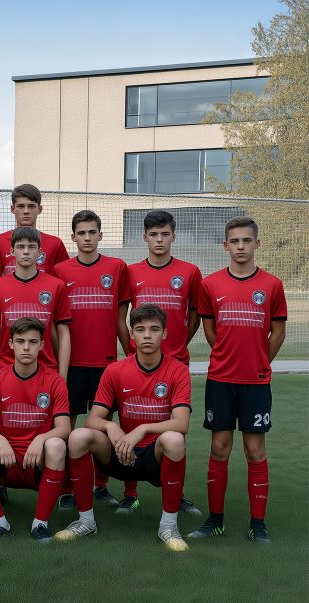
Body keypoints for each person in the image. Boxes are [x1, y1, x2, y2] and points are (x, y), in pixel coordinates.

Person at [55, 303, 191, 552]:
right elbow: (93, 419)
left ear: (165, 334)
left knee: (174, 439)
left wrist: (142, 429)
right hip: (121, 452)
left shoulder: (178, 371)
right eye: (140, 329)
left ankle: (169, 526)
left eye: (154, 329)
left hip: (154, 457)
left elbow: (182, 423)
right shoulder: (115, 370)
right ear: (132, 335)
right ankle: (86, 521)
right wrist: (111, 426)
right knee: (78, 436)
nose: (147, 335)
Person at [189, 216, 287, 544]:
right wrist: (227, 356)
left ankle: (258, 524)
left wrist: (259, 362)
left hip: (256, 382)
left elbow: (278, 332)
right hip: (220, 379)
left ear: (257, 243)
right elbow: (209, 329)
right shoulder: (210, 284)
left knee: (255, 450)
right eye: (235, 241)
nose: (241, 246)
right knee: (219, 447)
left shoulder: (272, 285)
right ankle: (215, 520)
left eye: (246, 240)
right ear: (225, 245)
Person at [120, 209, 203, 516]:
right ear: (144, 237)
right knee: (131, 419)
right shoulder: (131, 272)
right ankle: (130, 493)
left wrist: (178, 345)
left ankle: (175, 495)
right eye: (153, 234)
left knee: (175, 432)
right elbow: (122, 317)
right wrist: (129, 349)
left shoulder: (190, 272)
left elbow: (193, 316)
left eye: (164, 234)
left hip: (175, 362)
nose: (159, 240)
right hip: (137, 361)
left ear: (173, 236)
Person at [0, 317, 71, 544]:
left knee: (56, 444)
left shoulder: (55, 381)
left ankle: (40, 524)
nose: (26, 347)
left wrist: (41, 438)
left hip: (38, 461)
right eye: (20, 341)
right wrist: (0, 440)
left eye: (32, 342)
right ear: (10, 344)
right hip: (6, 460)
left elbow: (64, 428)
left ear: (42, 345)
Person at [53, 209, 131, 508]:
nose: (87, 238)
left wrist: (130, 357)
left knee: (101, 427)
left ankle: (101, 485)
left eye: (92, 232)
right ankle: (67, 488)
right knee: (66, 427)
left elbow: (121, 320)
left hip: (105, 365)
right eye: (81, 233)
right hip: (71, 365)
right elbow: (56, 324)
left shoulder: (116, 267)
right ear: (73, 237)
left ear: (101, 235)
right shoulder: (60, 270)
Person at [0, 226, 71, 378]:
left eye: (31, 247)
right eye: (20, 247)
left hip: (47, 371)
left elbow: (63, 333)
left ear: (40, 252)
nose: (26, 251)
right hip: (6, 369)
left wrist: (62, 377)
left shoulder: (56, 285)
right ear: (12, 251)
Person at [0, 183, 69, 276]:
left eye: (31, 206)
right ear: (12, 209)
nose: (26, 211)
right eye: (21, 206)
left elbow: (64, 277)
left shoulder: (55, 243)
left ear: (40, 209)